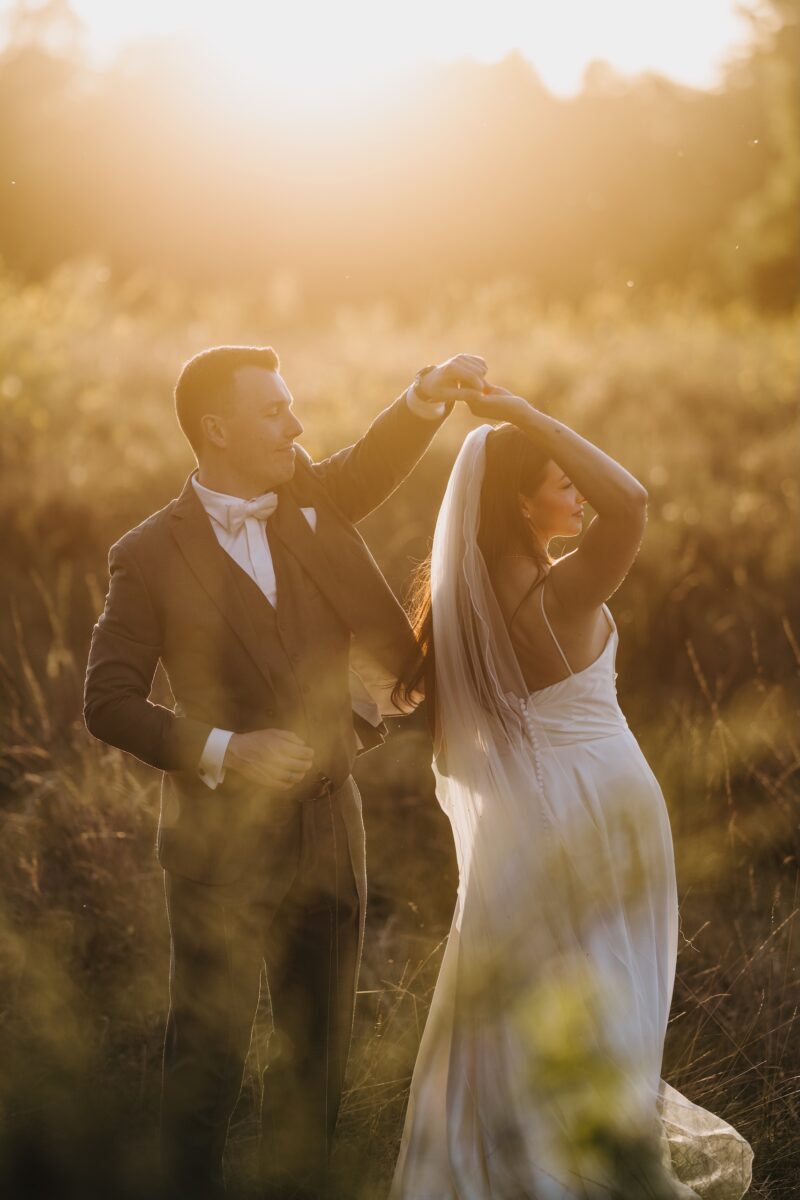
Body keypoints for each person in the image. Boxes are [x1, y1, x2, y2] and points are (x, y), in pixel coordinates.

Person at [83, 344, 488, 1200]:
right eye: (274, 412)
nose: (295, 426)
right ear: (217, 428)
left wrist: (426, 394)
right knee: (205, 1074)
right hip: (217, 849)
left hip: (331, 830)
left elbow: (370, 463)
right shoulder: (147, 554)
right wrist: (228, 751)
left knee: (318, 1077)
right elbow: (108, 703)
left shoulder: (309, 496)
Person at [389, 386, 753, 1198]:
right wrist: (527, 414)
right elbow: (634, 499)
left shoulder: (464, 604)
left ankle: (507, 1165)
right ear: (519, 501)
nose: (579, 494)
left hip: (525, 833)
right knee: (611, 1001)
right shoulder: (561, 595)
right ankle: (584, 1172)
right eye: (561, 483)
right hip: (603, 815)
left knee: (520, 1002)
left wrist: (528, 435)